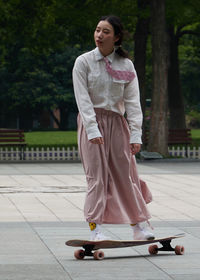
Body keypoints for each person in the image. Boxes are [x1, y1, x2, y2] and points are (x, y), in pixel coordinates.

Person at [72, 15, 155, 241]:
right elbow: (82, 99)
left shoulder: (126, 65)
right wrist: (92, 129)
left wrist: (135, 134)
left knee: (126, 175)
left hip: (117, 124)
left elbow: (132, 102)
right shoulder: (84, 62)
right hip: (92, 122)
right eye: (98, 30)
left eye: (105, 31)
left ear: (116, 37)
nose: (99, 35)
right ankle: (95, 229)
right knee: (97, 177)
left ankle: (139, 225)